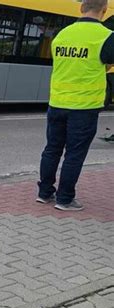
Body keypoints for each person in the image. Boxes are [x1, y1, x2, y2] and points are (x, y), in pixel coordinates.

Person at [37, 0, 114, 211]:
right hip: (84, 107)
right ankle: (64, 199)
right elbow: (107, 63)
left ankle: (44, 193)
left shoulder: (62, 34)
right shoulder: (107, 36)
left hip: (57, 102)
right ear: (104, 10)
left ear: (81, 8)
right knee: (74, 154)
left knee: (52, 149)